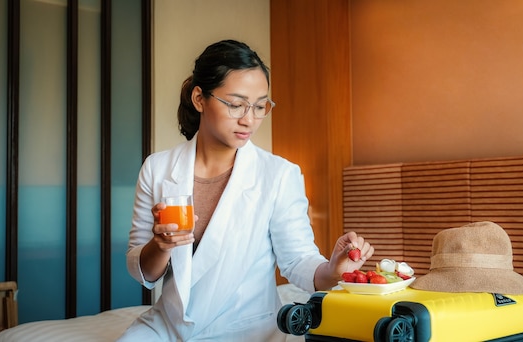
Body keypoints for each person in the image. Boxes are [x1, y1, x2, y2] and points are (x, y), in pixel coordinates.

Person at [118, 39, 374, 341]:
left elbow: (297, 260)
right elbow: (143, 272)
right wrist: (161, 246)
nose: (249, 119)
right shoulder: (158, 168)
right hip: (169, 326)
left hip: (246, 330)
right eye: (236, 104)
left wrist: (333, 271)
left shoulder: (279, 175)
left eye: (259, 106)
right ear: (199, 98)